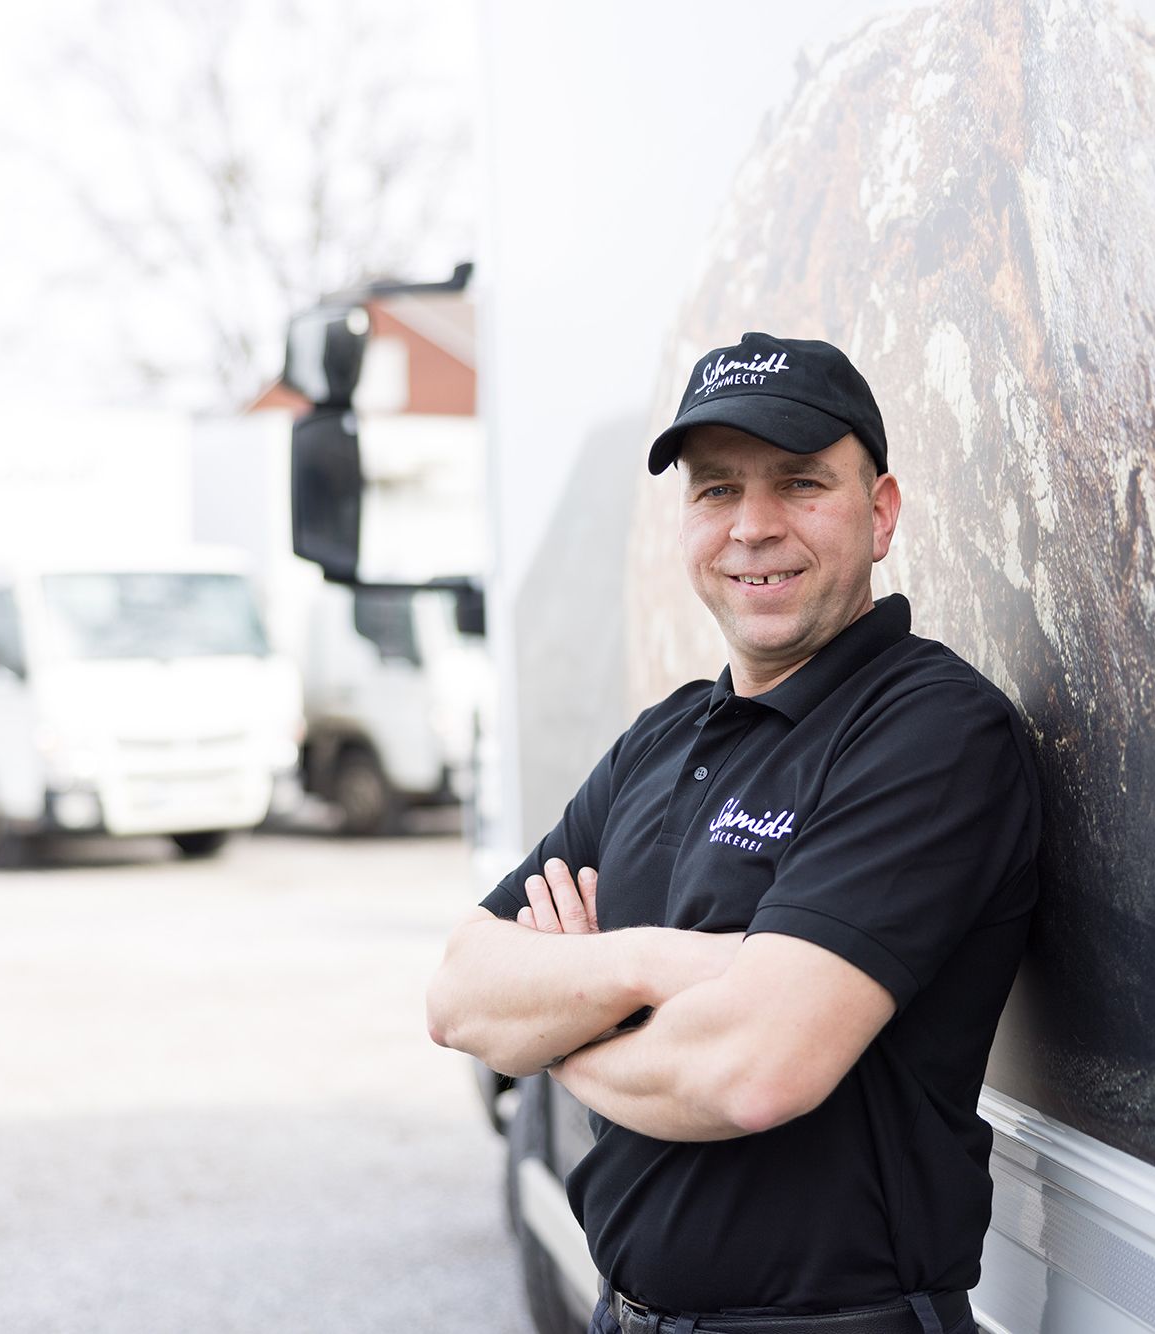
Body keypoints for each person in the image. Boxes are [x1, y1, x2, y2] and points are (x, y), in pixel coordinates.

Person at [427, 332, 1041, 1334]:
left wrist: (564, 1024)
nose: (751, 527)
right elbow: (458, 993)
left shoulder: (930, 732)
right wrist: (659, 964)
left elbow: (754, 1069)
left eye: (799, 484)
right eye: (715, 491)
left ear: (878, 513)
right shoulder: (660, 740)